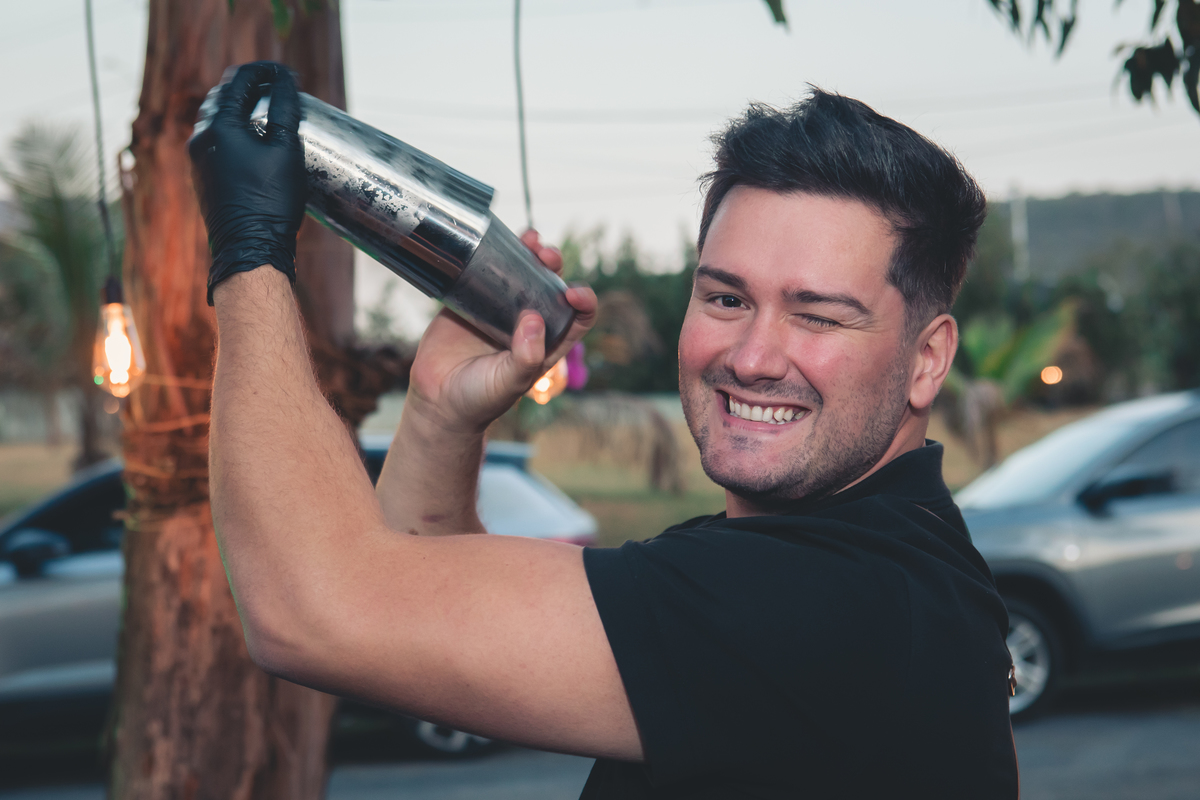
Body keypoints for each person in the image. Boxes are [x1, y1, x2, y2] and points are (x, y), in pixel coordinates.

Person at [190, 61, 1018, 798]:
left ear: (927, 359)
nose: (753, 357)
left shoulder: (833, 601)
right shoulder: (874, 569)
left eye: (819, 317)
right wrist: (443, 410)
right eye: (727, 298)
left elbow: (314, 612)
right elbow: (409, 624)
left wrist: (248, 250)